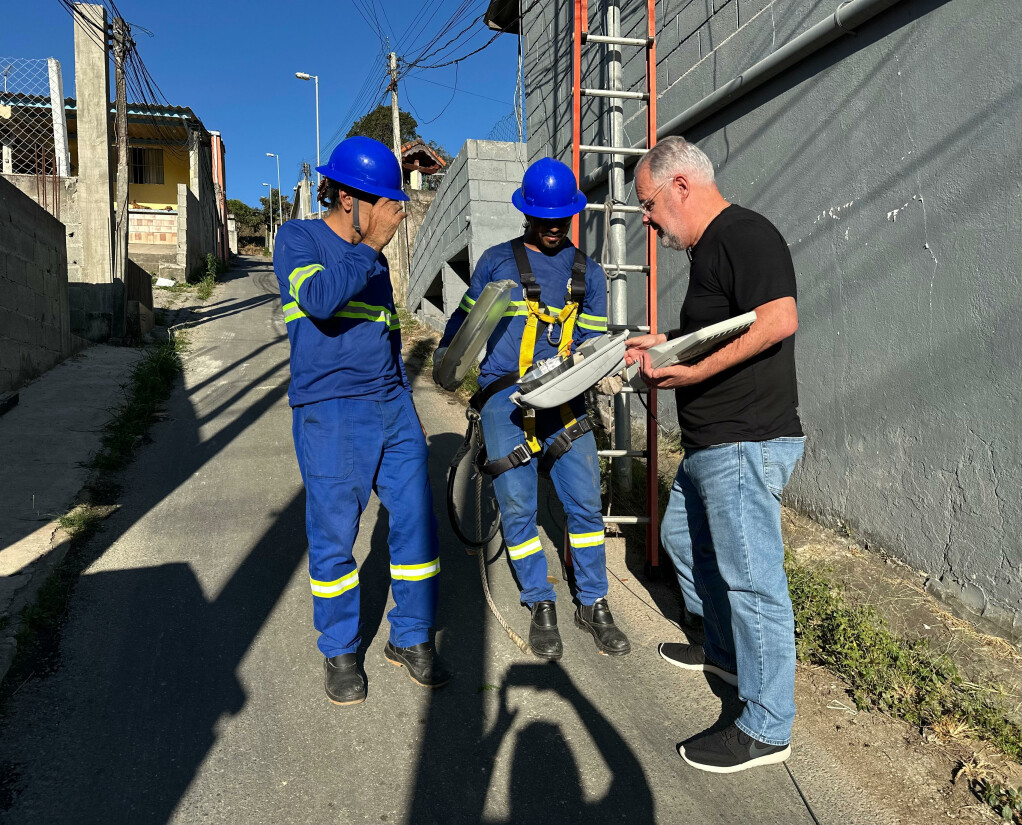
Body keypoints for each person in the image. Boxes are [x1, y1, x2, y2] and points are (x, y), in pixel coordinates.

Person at [625, 136, 805, 773]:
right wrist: (663, 340)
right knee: (682, 540)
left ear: (680, 186)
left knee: (752, 581)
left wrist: (695, 375)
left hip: (744, 439)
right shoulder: (708, 253)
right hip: (711, 444)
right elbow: (717, 328)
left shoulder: (743, 234)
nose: (648, 220)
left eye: (648, 205)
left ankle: (764, 726)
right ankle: (726, 655)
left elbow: (777, 319)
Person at [274, 136, 449, 705]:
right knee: (334, 534)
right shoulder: (297, 238)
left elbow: (387, 337)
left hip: (390, 402)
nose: (395, 213)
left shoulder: (373, 263)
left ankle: (412, 637)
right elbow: (321, 301)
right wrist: (369, 245)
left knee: (416, 523)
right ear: (349, 197)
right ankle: (342, 649)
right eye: (384, 201)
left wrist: (410, 409)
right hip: (329, 408)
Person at [436, 157, 630, 660]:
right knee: (519, 507)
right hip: (506, 400)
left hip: (565, 401)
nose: (551, 229)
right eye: (542, 221)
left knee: (585, 504)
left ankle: (594, 603)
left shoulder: (588, 275)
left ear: (569, 215)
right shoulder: (497, 264)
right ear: (526, 214)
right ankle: (540, 602)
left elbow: (590, 349)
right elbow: (463, 322)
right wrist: (446, 357)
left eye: (559, 220)